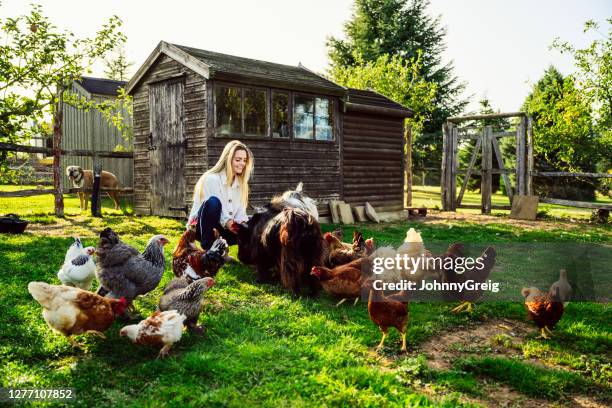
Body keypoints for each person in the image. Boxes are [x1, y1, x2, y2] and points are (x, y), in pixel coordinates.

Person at [187, 140, 253, 250]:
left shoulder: (241, 184)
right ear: (228, 159)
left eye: (244, 160)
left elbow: (241, 214)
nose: (242, 163)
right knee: (213, 202)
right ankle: (208, 248)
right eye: (238, 160)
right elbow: (215, 212)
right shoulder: (211, 178)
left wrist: (245, 226)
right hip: (202, 228)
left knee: (254, 222)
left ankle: (234, 251)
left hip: (225, 229)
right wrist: (230, 224)